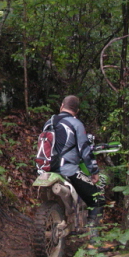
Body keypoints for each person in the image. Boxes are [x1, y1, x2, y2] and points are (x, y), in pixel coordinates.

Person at [43, 95, 105, 232]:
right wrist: (94, 171)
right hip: (68, 170)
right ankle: (93, 242)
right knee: (97, 198)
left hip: (46, 170)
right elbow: (85, 150)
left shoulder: (49, 122)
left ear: (61, 106)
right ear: (76, 111)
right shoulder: (76, 124)